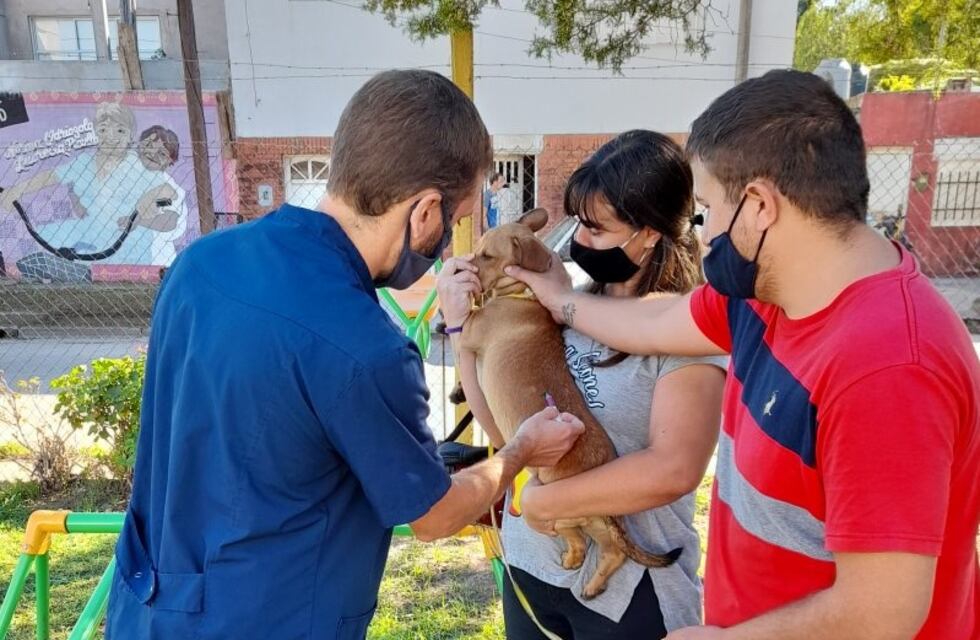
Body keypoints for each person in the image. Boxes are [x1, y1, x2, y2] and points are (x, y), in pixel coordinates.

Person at [105, 69, 584, 640]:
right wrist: (523, 449)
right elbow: (434, 516)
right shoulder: (366, 348)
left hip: (148, 610)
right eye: (454, 222)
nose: (446, 241)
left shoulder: (200, 263)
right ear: (426, 210)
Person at [508, 70, 980, 639]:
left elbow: (883, 610)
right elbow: (659, 320)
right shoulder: (768, 298)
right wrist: (561, 302)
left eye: (706, 211)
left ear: (759, 205)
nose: (701, 234)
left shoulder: (888, 366)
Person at [439, 130, 726, 638]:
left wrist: (548, 502)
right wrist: (464, 332)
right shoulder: (561, 306)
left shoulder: (686, 329)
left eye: (597, 229)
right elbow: (505, 429)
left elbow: (673, 469)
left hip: (632, 592)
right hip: (534, 567)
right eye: (579, 225)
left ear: (650, 232)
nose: (580, 242)